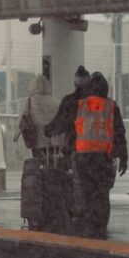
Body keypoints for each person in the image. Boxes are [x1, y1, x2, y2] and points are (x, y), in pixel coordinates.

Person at [72, 72, 128, 238]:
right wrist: (123, 156)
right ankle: (101, 224)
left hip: (83, 157)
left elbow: (71, 128)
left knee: (87, 191)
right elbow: (119, 133)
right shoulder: (111, 106)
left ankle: (90, 224)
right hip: (103, 157)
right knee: (102, 192)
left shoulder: (81, 105)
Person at [45, 66, 91, 217]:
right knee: (91, 183)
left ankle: (76, 211)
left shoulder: (69, 101)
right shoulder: (98, 103)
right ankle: (91, 212)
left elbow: (60, 122)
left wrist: (48, 130)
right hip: (96, 150)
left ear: (75, 83)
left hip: (74, 148)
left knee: (72, 180)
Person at [19, 74, 61, 160]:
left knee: (39, 166)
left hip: (38, 143)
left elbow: (23, 119)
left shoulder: (29, 101)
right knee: (53, 166)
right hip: (54, 143)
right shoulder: (56, 102)